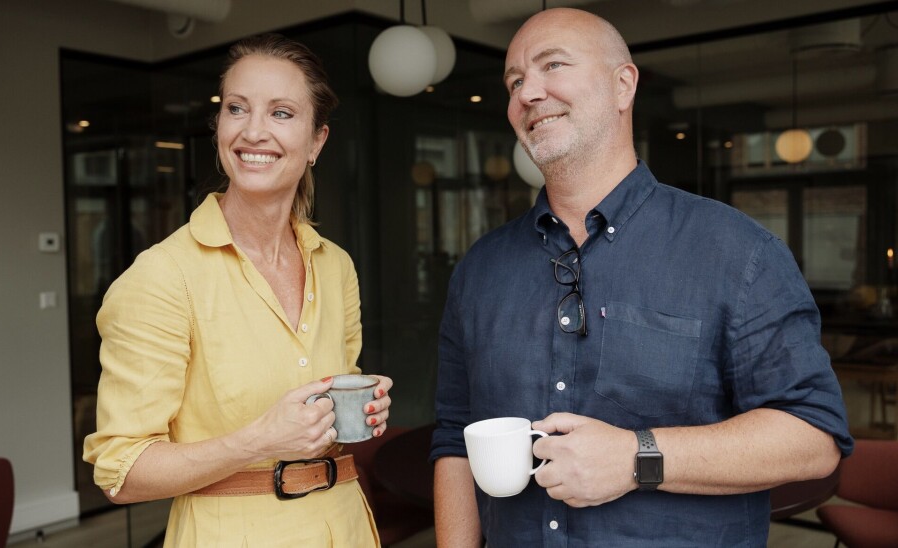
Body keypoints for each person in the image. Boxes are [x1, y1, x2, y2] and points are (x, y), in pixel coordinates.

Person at [431, 8, 853, 547]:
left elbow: (813, 437)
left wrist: (639, 457)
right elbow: (454, 439)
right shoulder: (479, 269)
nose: (527, 93)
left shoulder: (738, 252)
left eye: (552, 65)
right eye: (514, 81)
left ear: (623, 84)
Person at [83, 34, 392, 547]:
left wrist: (356, 411)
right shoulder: (162, 276)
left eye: (282, 113)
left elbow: (332, 402)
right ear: (219, 126)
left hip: (346, 525)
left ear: (317, 141)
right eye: (237, 108)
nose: (253, 131)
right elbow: (121, 471)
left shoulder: (335, 266)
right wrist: (259, 440)